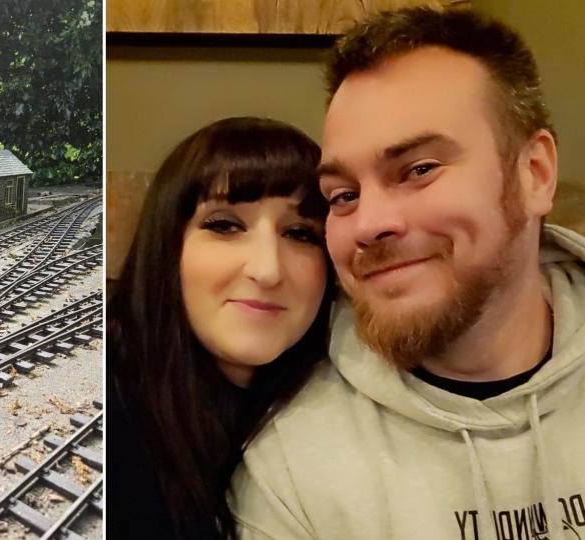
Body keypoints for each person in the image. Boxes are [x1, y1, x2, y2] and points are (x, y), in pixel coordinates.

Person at [230, 8, 585, 540]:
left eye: (419, 170)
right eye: (343, 196)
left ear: (534, 174)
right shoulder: (292, 471)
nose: (369, 225)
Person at [107, 117, 335, 539]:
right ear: (168, 246)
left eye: (300, 233)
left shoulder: (348, 410)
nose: (267, 270)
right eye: (225, 225)